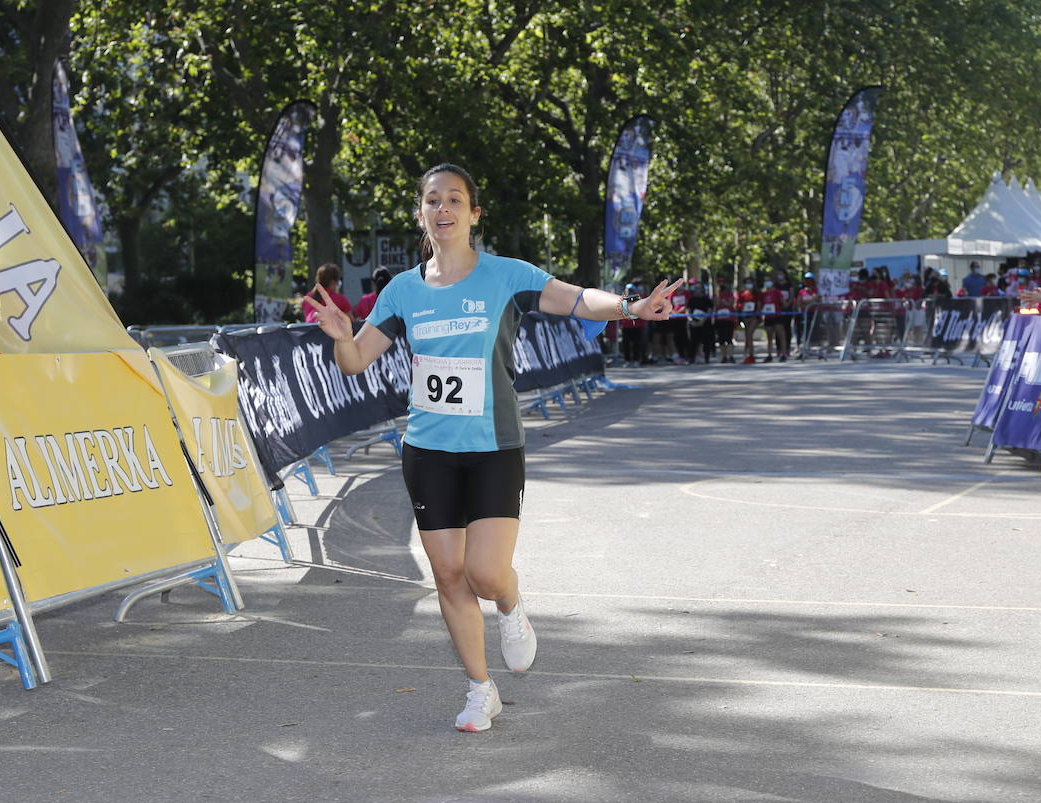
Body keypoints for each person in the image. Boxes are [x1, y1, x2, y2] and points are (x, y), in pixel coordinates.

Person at [311, 163, 684, 732]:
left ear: (473, 213)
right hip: (428, 450)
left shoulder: (506, 276)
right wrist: (342, 338)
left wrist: (630, 308)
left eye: (455, 199)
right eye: (432, 200)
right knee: (448, 575)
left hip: (493, 446)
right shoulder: (403, 290)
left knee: (485, 573)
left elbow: (577, 299)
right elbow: (357, 360)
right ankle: (479, 690)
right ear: (421, 214)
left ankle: (510, 605)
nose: (443, 209)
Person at [714, 279, 737, 363]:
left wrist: (724, 302)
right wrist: (719, 298)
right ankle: (724, 356)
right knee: (721, 339)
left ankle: (731, 356)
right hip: (719, 319)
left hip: (729, 319)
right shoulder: (716, 295)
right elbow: (715, 305)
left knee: (729, 338)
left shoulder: (730, 294)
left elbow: (731, 304)